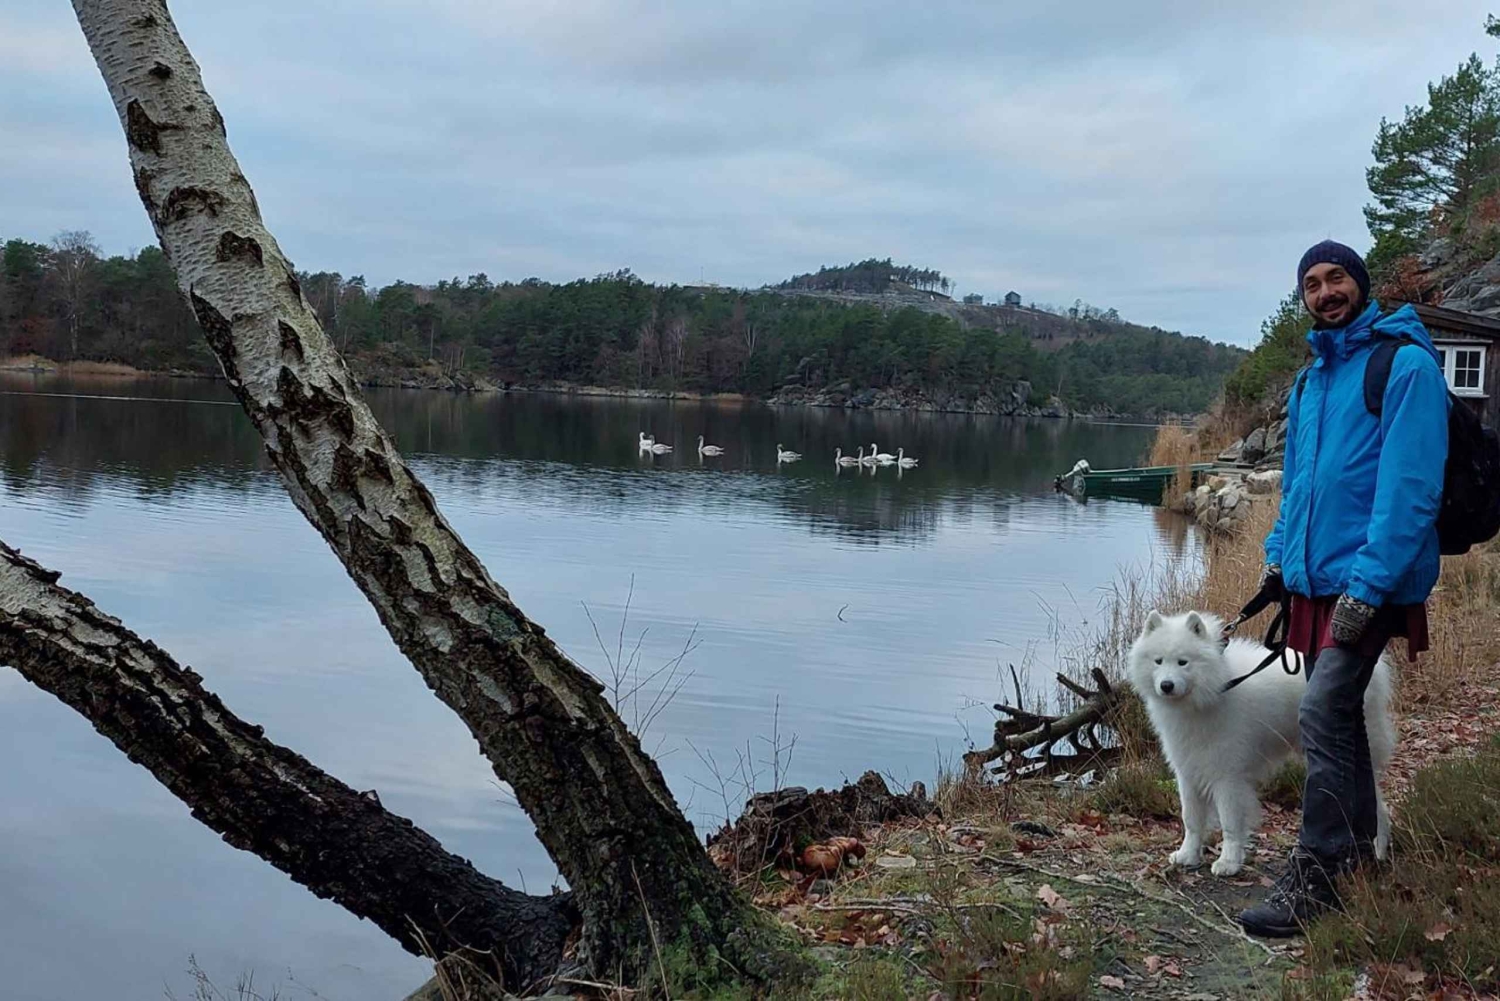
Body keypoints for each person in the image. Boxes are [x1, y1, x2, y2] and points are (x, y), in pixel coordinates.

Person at [1238, 240, 1450, 938]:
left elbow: (1410, 490)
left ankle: (1318, 873)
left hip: (1371, 581)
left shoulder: (1406, 364)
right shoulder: (1311, 382)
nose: (1325, 292)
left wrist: (1369, 586)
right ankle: (1358, 859)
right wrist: (1277, 562)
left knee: (1323, 713)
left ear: (1360, 285)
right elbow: (1298, 487)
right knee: (1341, 717)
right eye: (1311, 283)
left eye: (1336, 279)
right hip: (1319, 580)